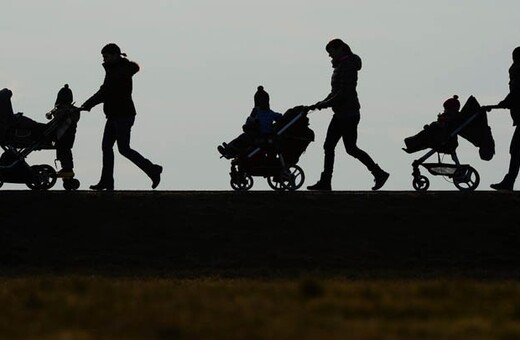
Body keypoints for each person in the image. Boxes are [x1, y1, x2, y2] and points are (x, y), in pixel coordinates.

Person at [306, 38, 389, 191]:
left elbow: (344, 92)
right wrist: (321, 103)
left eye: (331, 52)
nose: (330, 56)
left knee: (350, 148)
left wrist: (325, 104)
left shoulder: (348, 66)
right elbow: (335, 92)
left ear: (340, 49)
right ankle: (326, 181)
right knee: (330, 146)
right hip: (341, 113)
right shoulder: (342, 66)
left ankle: (379, 173)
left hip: (348, 114)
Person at [80, 43, 162, 191]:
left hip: (123, 114)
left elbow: (105, 91)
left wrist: (88, 104)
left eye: (106, 56)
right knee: (107, 147)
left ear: (115, 55)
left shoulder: (119, 72)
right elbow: (105, 91)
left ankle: (152, 169)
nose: (104, 59)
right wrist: (88, 104)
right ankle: (106, 181)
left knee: (123, 148)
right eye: (103, 57)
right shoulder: (115, 70)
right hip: (114, 114)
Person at [217, 85, 282, 159]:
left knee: (243, 138)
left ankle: (230, 150)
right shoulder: (264, 112)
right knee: (242, 137)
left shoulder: (263, 112)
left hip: (261, 136)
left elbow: (249, 121)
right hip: (258, 134)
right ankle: (229, 148)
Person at [490, 46, 520, 191]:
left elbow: (516, 93)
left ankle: (508, 182)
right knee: (516, 150)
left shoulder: (517, 72)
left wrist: (504, 103)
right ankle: (508, 182)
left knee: (516, 150)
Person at [52, 84, 79, 178]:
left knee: (63, 151)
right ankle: (66, 169)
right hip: (69, 135)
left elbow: (58, 118)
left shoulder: (64, 111)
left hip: (63, 135)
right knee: (64, 151)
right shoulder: (73, 111)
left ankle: (67, 169)